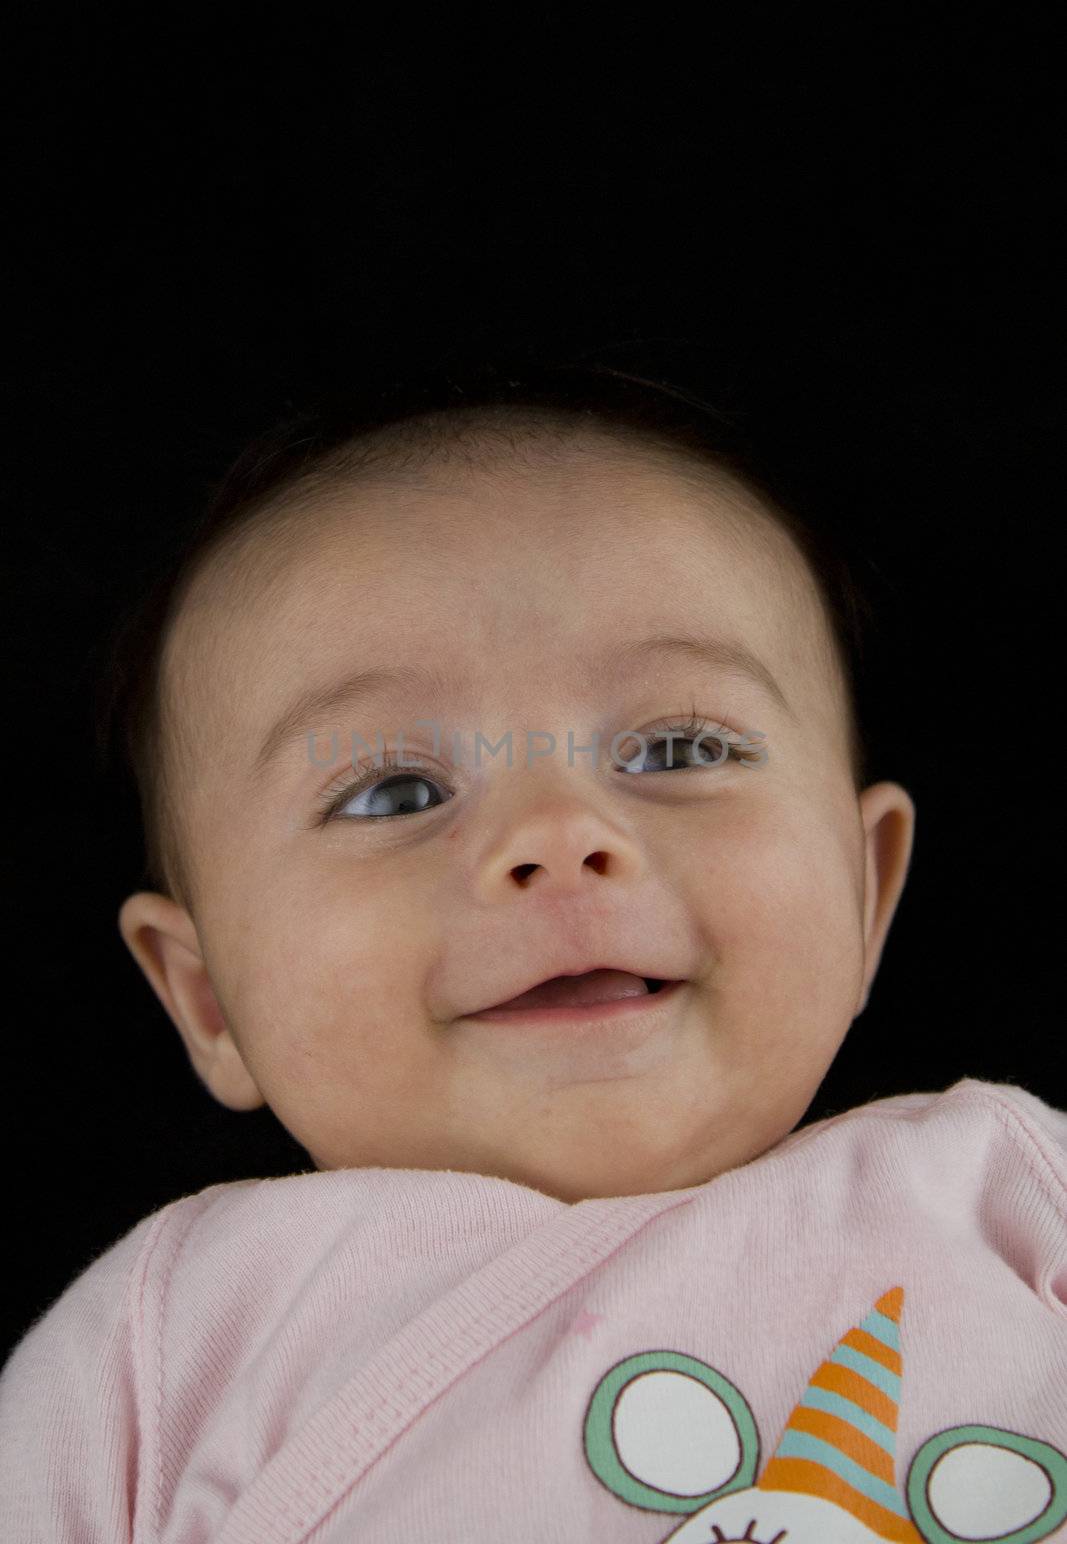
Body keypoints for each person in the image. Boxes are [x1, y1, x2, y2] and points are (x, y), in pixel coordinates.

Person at [2, 358, 1064, 1542]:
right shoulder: (169, 1343)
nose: (558, 838)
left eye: (675, 749)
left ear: (865, 892)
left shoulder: (1009, 1194)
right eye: (395, 788)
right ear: (207, 1000)